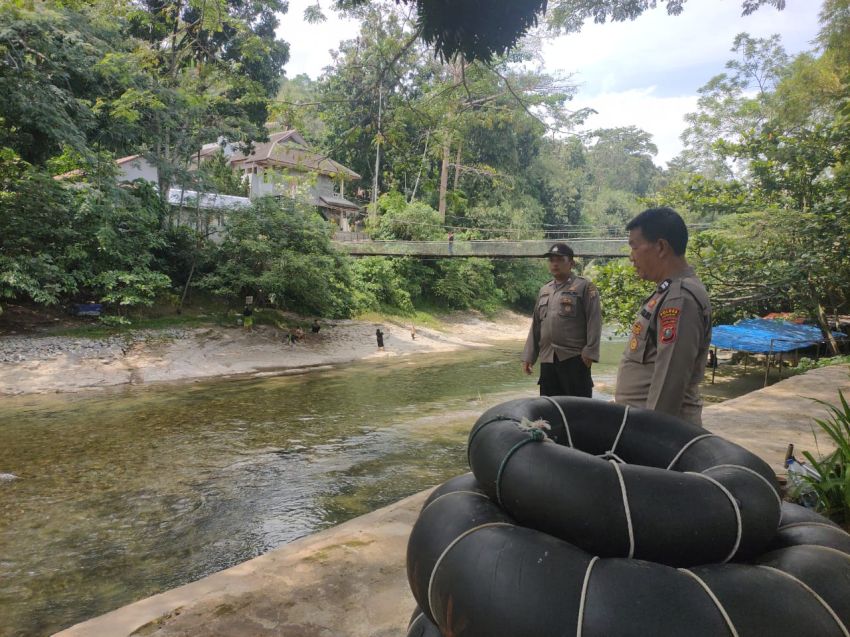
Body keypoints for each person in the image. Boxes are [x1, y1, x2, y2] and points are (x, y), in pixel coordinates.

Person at [614, 207, 712, 425]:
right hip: (641, 424)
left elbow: (670, 381)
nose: (631, 257)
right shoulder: (666, 292)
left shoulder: (680, 299)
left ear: (660, 247)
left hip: (658, 434)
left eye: (635, 247)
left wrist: (652, 438)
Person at [521, 242, 602, 398]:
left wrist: (590, 352)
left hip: (575, 359)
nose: (554, 263)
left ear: (571, 263)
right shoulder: (544, 290)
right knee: (550, 410)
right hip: (548, 359)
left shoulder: (584, 287)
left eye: (559, 259)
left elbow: (594, 319)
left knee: (578, 411)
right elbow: (536, 326)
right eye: (551, 260)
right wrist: (529, 356)